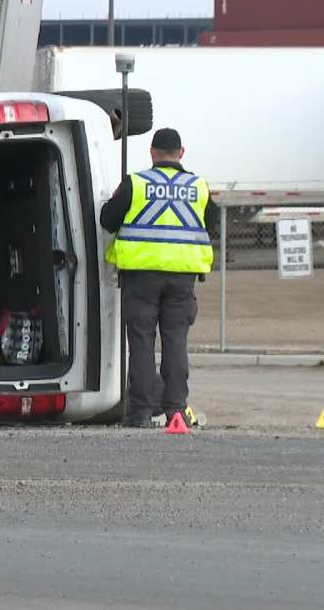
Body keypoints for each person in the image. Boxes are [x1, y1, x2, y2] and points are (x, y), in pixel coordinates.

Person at [99, 128, 219, 428]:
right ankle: (176, 412)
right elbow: (213, 224)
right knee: (175, 342)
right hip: (182, 279)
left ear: (152, 153)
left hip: (140, 277)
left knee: (141, 343)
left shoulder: (136, 183)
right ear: (181, 153)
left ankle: (140, 413)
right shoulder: (198, 186)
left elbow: (107, 220)